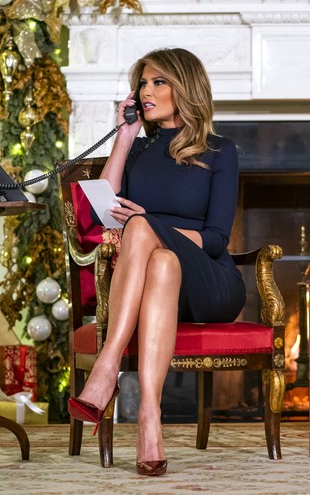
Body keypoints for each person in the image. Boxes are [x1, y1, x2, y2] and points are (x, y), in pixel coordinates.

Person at [67, 48, 244, 477]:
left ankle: (107, 367)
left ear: (185, 88)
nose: (147, 91)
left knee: (145, 229)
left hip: (210, 284)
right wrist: (123, 138)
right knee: (161, 261)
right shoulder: (140, 151)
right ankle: (150, 418)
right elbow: (106, 214)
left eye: (158, 82)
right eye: (143, 83)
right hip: (157, 282)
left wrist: (152, 224)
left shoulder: (220, 151)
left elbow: (218, 240)